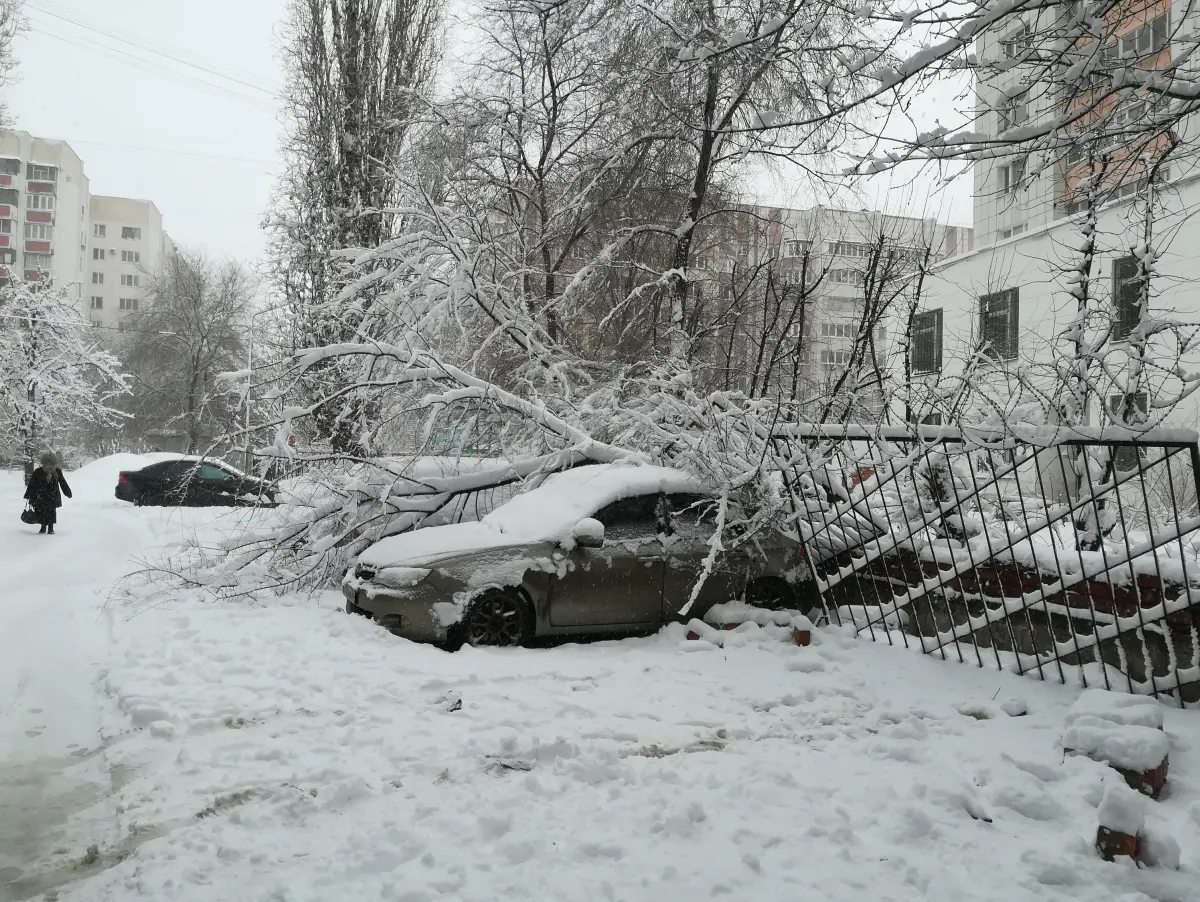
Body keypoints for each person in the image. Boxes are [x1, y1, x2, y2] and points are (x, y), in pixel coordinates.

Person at [23, 451, 72, 535]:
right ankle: (43, 526)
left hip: (52, 495)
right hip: (39, 496)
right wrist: (28, 495)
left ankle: (50, 527)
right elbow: (32, 484)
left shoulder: (57, 472)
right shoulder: (38, 472)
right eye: (47, 464)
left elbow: (63, 483)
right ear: (43, 464)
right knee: (40, 511)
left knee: (51, 511)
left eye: (51, 464)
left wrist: (67, 492)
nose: (49, 466)